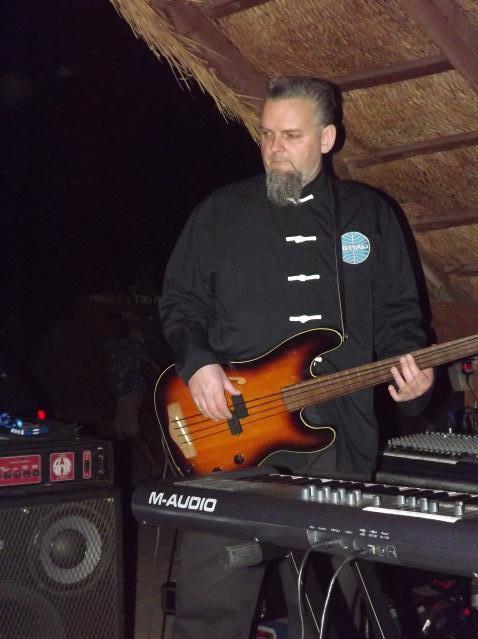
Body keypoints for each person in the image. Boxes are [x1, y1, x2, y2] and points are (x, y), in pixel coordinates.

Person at [159, 76, 434, 638]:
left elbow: (400, 317)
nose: (274, 149)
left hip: (340, 438)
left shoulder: (370, 215)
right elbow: (180, 301)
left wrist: (414, 376)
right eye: (266, 135)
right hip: (233, 432)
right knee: (211, 604)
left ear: (327, 139)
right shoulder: (220, 213)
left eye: (291, 136)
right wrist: (199, 363)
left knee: (337, 613)